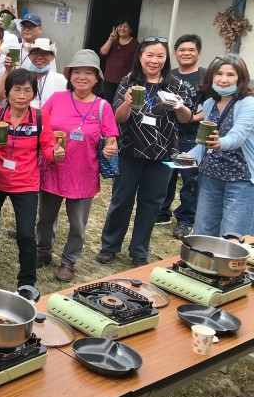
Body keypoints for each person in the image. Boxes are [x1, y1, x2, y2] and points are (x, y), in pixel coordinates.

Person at [97, 37, 192, 267]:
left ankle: (139, 251)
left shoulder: (176, 85)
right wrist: (127, 102)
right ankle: (110, 246)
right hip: (130, 151)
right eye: (149, 55)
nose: (154, 60)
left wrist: (180, 107)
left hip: (162, 156)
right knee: (121, 201)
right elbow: (118, 118)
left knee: (151, 205)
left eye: (160, 56)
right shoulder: (128, 81)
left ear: (166, 58)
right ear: (140, 57)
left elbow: (186, 119)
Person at [0, 69, 61, 288]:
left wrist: (55, 153)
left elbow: (47, 148)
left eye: (27, 90)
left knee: (25, 234)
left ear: (33, 94)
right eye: (16, 90)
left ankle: (27, 280)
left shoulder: (40, 118)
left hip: (26, 182)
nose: (21, 95)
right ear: (8, 92)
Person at [37, 51, 119, 282]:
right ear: (70, 75)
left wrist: (110, 147)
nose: (82, 76)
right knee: (45, 218)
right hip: (53, 170)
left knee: (77, 224)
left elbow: (111, 139)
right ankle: (43, 252)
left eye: (88, 72)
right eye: (77, 72)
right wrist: (50, 146)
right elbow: (42, 127)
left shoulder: (103, 107)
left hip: (83, 175)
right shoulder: (57, 99)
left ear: (96, 78)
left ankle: (68, 262)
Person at [189, 55, 254, 237]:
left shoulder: (248, 104)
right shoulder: (210, 103)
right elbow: (204, 143)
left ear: (240, 78)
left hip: (241, 179)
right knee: (203, 232)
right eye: (219, 73)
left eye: (230, 75)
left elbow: (237, 137)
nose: (223, 79)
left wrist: (219, 143)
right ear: (211, 76)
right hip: (210, 176)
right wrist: (188, 156)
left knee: (233, 237)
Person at [156, 34, 205, 237]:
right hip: (169, 134)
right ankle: (162, 212)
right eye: (182, 50)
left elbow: (210, 108)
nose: (186, 53)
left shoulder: (205, 77)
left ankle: (185, 220)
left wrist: (191, 117)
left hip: (192, 136)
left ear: (199, 54)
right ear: (174, 53)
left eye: (191, 50)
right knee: (166, 175)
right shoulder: (170, 75)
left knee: (189, 179)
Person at [99, 18, 139, 106]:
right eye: (120, 26)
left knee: (119, 104)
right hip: (109, 79)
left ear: (131, 29)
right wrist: (110, 39)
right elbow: (102, 52)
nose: (122, 29)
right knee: (107, 104)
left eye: (125, 27)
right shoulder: (113, 41)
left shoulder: (135, 44)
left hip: (124, 81)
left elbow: (137, 63)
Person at [27, 38, 68, 109]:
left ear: (52, 57)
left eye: (45, 54)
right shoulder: (23, 78)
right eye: (35, 53)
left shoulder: (60, 80)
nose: (39, 57)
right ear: (29, 56)